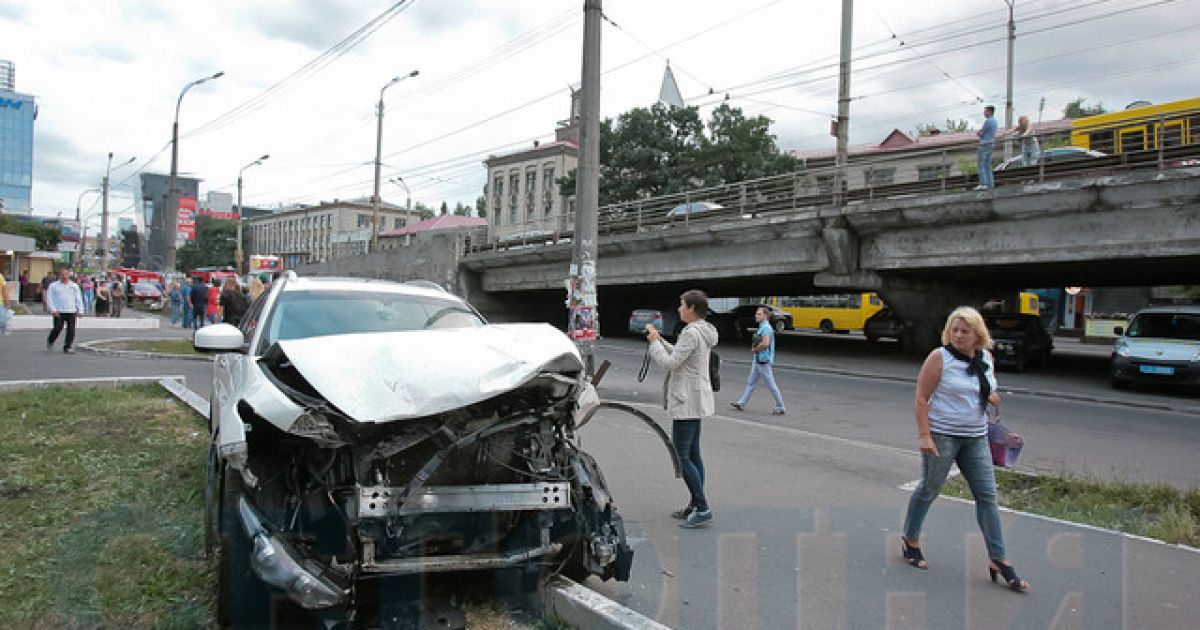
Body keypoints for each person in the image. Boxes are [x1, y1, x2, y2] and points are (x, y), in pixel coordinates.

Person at [900, 306, 1029, 593]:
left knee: (987, 496)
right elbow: (922, 397)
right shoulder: (939, 357)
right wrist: (924, 435)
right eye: (954, 330)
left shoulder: (986, 358)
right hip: (943, 435)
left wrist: (992, 396)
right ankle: (911, 539)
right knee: (930, 489)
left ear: (977, 334)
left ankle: (999, 558)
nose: (958, 336)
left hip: (976, 437)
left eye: (964, 331)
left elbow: (985, 388)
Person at [645, 289, 719, 529]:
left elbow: (671, 362)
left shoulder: (690, 333)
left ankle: (703, 506)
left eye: (682, 305)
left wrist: (655, 344)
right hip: (696, 399)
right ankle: (696, 504)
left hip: (686, 400)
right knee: (694, 454)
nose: (679, 309)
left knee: (682, 455)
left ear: (692, 309)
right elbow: (679, 353)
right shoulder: (703, 331)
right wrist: (659, 339)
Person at [730, 306, 786, 415]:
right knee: (751, 383)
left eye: (759, 314)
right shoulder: (763, 326)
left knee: (771, 384)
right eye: (756, 314)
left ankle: (781, 406)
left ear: (765, 316)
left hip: (762, 360)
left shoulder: (766, 328)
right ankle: (741, 402)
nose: (756, 316)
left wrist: (755, 349)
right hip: (758, 360)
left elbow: (765, 343)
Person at [45, 267, 84, 354]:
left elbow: (78, 299)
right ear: (59, 275)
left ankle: (68, 346)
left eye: (66, 274)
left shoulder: (74, 286)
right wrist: (53, 310)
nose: (65, 276)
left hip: (71, 311)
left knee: (71, 329)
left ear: (69, 275)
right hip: (59, 311)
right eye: (62, 275)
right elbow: (49, 298)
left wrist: (80, 310)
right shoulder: (53, 286)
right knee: (58, 328)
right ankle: (51, 340)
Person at [975, 105, 998, 190]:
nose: (984, 113)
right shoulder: (995, 121)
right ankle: (990, 184)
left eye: (985, 111)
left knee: (981, 164)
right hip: (991, 144)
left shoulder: (988, 121)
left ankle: (983, 183)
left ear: (989, 112)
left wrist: (979, 133)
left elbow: (981, 133)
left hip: (984, 144)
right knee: (988, 165)